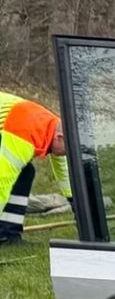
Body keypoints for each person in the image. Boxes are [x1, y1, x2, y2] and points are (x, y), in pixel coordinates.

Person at [1, 93, 68, 247]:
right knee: (21, 174)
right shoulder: (23, 134)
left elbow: (63, 170)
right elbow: (1, 181)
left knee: (25, 173)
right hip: (13, 128)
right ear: (59, 137)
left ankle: (7, 236)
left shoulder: (52, 126)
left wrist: (73, 201)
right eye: (67, 150)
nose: (67, 155)